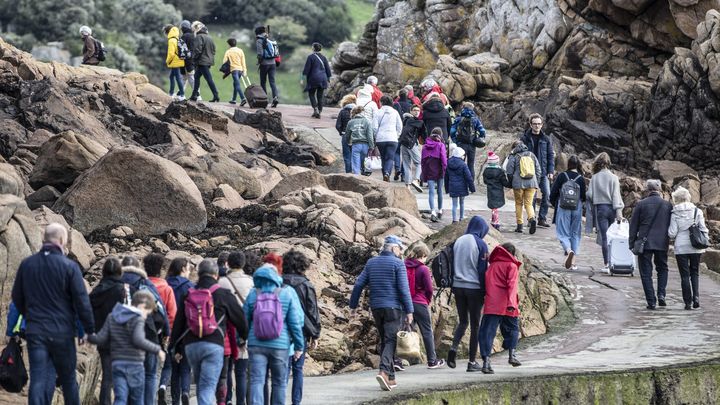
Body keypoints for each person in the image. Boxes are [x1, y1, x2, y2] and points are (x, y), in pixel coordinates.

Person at [11, 223, 95, 405]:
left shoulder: (27, 264)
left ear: (44, 240)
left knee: (39, 379)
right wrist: (86, 330)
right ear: (62, 240)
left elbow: (17, 298)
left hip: (36, 331)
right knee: (68, 380)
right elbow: (81, 302)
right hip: (62, 333)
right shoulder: (70, 267)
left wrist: (30, 315)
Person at [171, 259, 248, 405]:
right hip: (214, 345)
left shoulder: (188, 294)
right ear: (216, 274)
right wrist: (243, 338)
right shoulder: (223, 294)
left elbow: (179, 323)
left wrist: (175, 347)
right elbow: (241, 320)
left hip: (191, 346)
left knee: (201, 385)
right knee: (207, 387)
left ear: (199, 274)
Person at [350, 235, 413, 391]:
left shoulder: (371, 263)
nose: (401, 252)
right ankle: (384, 371)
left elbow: (358, 284)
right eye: (400, 248)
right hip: (393, 308)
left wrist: (353, 305)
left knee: (386, 340)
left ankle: (391, 378)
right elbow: (404, 290)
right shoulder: (398, 264)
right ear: (393, 248)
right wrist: (410, 311)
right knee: (391, 340)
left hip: (376, 308)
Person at [89, 291, 166, 405]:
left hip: (117, 364)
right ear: (141, 305)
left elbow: (101, 338)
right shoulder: (137, 318)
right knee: (137, 399)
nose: (145, 316)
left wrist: (87, 337)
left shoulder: (112, 316)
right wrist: (157, 349)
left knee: (120, 398)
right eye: (147, 312)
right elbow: (138, 340)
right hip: (134, 365)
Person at [245, 263, 304, 405]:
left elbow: (243, 320)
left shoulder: (254, 293)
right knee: (279, 382)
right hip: (280, 345)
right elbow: (295, 323)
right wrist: (299, 346)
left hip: (256, 343)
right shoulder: (287, 292)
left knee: (257, 381)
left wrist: (240, 339)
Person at [121, 256, 169, 405]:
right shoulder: (146, 284)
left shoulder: (116, 283)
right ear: (138, 267)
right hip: (148, 334)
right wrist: (165, 332)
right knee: (150, 374)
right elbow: (161, 310)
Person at [446, 216, 489, 372]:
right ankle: (472, 362)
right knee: (475, 325)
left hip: (458, 286)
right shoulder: (480, 244)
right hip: (474, 288)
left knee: (463, 321)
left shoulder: (459, 241)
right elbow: (482, 270)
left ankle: (453, 347)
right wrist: (485, 291)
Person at [282, 251, 321, 405]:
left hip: (281, 330)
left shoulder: (278, 282)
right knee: (298, 369)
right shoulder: (306, 285)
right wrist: (315, 334)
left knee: (284, 369)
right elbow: (312, 312)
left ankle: (279, 400)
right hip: (300, 331)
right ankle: (296, 402)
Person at [629, 179, 673, 310]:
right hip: (662, 242)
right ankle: (661, 295)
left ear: (647, 190)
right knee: (663, 269)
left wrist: (631, 243)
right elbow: (671, 226)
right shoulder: (667, 205)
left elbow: (633, 225)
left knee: (646, 273)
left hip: (644, 243)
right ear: (659, 190)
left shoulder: (641, 204)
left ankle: (651, 301)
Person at [478, 243, 522, 374]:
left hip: (492, 303)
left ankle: (486, 362)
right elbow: (512, 286)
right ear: (512, 254)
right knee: (513, 329)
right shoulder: (512, 266)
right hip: (508, 303)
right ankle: (512, 355)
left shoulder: (492, 266)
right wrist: (511, 303)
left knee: (487, 332)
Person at [89, 257, 127, 405]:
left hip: (102, 337)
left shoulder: (97, 290)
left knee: (107, 375)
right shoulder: (120, 289)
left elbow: (88, 311)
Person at [403, 242, 445, 369]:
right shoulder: (423, 269)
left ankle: (397, 360)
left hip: (406, 302)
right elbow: (429, 288)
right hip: (420, 303)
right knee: (426, 331)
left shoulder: (404, 266)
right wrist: (427, 300)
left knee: (406, 330)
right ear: (423, 255)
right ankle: (432, 360)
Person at [668, 186, 709, 310]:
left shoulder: (675, 212)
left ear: (677, 199)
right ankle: (696, 298)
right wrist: (706, 239)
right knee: (695, 272)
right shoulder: (697, 211)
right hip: (695, 246)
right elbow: (703, 228)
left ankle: (687, 302)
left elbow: (672, 233)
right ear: (688, 197)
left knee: (684, 275)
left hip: (681, 247)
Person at [162, 258, 195, 405]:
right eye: (188, 268)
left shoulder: (165, 284)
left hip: (168, 329)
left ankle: (175, 400)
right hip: (185, 330)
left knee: (172, 367)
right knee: (185, 367)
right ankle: (186, 392)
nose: (189, 272)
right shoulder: (190, 286)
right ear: (182, 269)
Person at [587, 152, 625, 274]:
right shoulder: (614, 178)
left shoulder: (595, 177)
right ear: (608, 163)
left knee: (605, 237)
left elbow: (590, 195)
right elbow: (616, 196)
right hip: (613, 209)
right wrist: (619, 212)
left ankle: (607, 264)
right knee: (613, 237)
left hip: (601, 209)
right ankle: (614, 262)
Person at [549, 155, 587, 270]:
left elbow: (553, 193)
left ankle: (568, 250)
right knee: (575, 234)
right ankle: (573, 262)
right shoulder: (581, 178)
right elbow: (583, 196)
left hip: (564, 207)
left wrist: (555, 203)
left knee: (563, 233)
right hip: (577, 208)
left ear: (568, 164)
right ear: (578, 165)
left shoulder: (562, 176)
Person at [521, 113, 555, 228]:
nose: (537, 126)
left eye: (539, 124)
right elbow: (519, 154)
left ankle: (542, 218)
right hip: (530, 172)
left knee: (547, 194)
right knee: (532, 197)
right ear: (530, 124)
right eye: (534, 124)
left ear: (542, 125)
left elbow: (550, 155)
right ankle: (532, 218)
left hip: (543, 172)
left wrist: (551, 171)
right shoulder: (524, 138)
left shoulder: (546, 139)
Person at [505, 140, 542, 234]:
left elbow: (509, 171)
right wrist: (536, 182)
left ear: (514, 147)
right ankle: (531, 218)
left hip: (518, 184)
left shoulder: (513, 156)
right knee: (528, 204)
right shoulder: (531, 154)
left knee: (518, 204)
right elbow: (538, 170)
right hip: (532, 183)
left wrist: (511, 182)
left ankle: (519, 226)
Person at [450, 102, 486, 179]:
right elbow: (482, 131)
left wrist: (455, 141)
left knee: (460, 163)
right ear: (472, 109)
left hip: (461, 144)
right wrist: (479, 138)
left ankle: (460, 182)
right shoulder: (475, 119)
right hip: (472, 144)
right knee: (471, 164)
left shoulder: (458, 118)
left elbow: (452, 131)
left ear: (463, 108)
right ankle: (471, 184)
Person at [373, 95, 403, 182]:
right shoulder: (395, 112)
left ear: (381, 102)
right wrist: (396, 135)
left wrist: (376, 136)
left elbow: (374, 127)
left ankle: (385, 175)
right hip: (392, 138)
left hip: (381, 139)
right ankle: (387, 173)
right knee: (390, 157)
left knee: (383, 157)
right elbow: (399, 126)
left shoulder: (378, 112)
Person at [421, 128, 448, 222]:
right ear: (440, 135)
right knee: (440, 191)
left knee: (431, 192)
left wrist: (423, 174)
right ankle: (440, 210)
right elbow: (444, 159)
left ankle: (433, 211)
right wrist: (445, 170)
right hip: (439, 170)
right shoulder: (441, 145)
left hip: (429, 171)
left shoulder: (424, 146)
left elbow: (422, 162)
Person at [189, 21, 219, 103]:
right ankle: (194, 95)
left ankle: (216, 95)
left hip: (202, 62)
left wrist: (194, 59)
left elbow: (198, 50)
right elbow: (214, 50)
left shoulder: (199, 37)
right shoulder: (209, 37)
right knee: (196, 77)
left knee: (208, 78)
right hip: (208, 61)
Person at [445, 146, 476, 223]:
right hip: (462, 186)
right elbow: (469, 177)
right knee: (462, 203)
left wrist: (447, 189)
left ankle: (454, 219)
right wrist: (472, 188)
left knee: (454, 204)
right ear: (460, 155)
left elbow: (446, 177)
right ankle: (461, 217)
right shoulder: (463, 165)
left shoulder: (448, 163)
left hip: (452, 186)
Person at [398, 105, 425, 192]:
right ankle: (416, 180)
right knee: (419, 163)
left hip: (403, 143)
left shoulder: (404, 120)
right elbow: (424, 134)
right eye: (414, 110)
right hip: (411, 144)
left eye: (418, 110)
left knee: (406, 164)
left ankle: (408, 186)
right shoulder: (417, 122)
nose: (417, 112)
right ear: (411, 111)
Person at [302, 42, 332, 119]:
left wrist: (303, 77)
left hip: (314, 78)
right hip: (323, 78)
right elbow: (328, 69)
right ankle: (319, 111)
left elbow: (306, 69)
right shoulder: (324, 57)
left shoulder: (310, 57)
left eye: (312, 47)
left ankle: (315, 109)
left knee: (311, 94)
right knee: (320, 96)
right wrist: (328, 78)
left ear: (313, 48)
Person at [482, 151, 509, 230]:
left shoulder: (486, 171)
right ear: (496, 162)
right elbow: (504, 182)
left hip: (490, 191)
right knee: (495, 208)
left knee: (493, 207)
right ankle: (495, 222)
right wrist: (510, 184)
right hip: (498, 191)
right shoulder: (500, 171)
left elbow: (485, 181)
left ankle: (494, 220)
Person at [346, 105, 375, 175]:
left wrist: (348, 142)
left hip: (356, 144)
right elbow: (370, 136)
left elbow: (347, 134)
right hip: (365, 145)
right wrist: (371, 146)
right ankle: (363, 173)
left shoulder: (350, 122)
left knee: (356, 164)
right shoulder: (367, 122)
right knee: (363, 162)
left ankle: (357, 178)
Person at [255, 26, 279, 108]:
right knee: (272, 81)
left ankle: (264, 100)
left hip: (264, 64)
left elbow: (260, 54)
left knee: (263, 81)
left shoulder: (259, 40)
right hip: (273, 63)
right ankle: (275, 97)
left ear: (257, 33)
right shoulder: (270, 38)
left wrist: (258, 62)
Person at [223, 38, 248, 106]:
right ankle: (234, 99)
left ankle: (243, 98)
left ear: (229, 44)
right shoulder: (240, 51)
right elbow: (243, 61)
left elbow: (224, 62)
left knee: (237, 84)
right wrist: (244, 70)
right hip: (240, 70)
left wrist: (225, 70)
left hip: (234, 70)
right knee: (235, 84)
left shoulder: (228, 51)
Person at [335, 94, 356, 173]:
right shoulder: (357, 111)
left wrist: (341, 132)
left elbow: (338, 125)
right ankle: (356, 172)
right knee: (356, 155)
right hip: (356, 136)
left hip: (345, 135)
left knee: (347, 156)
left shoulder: (343, 111)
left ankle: (348, 174)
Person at [164, 24, 185, 101]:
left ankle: (182, 95)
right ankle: (171, 92)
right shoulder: (177, 38)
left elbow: (171, 53)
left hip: (174, 62)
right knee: (171, 76)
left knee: (177, 77)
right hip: (179, 60)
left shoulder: (171, 40)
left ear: (168, 32)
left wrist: (167, 61)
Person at [179, 20, 196, 98]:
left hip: (186, 60)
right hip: (192, 59)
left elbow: (181, 49)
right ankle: (181, 94)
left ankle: (182, 95)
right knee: (189, 77)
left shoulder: (184, 36)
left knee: (186, 77)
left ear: (183, 28)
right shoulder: (193, 36)